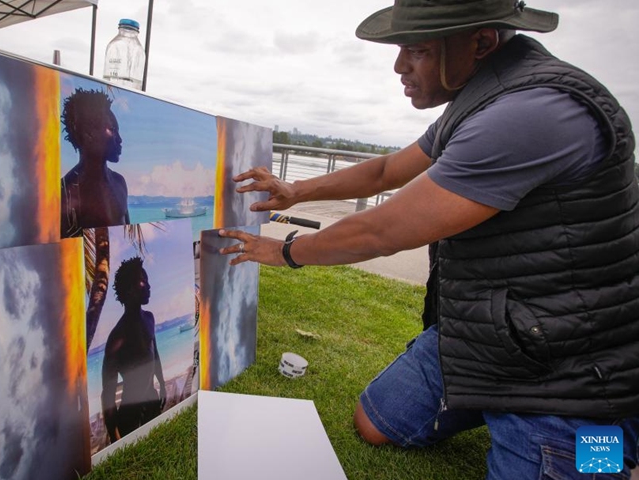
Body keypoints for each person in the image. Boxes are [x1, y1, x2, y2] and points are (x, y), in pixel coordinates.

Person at [219, 0, 639, 477]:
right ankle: (487, 400)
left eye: (416, 50)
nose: (399, 65)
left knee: (585, 456)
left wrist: (285, 251)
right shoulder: (480, 99)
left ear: (480, 42)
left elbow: (384, 229)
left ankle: (612, 447)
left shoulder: (532, 113)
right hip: (492, 335)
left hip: (573, 367)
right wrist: (296, 190)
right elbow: (384, 171)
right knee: (375, 422)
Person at [101, 256, 166, 442]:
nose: (148, 286)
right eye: (142, 281)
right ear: (129, 289)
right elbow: (108, 392)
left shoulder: (149, 318)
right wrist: (115, 438)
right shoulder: (117, 337)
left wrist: (161, 383)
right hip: (130, 414)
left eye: (147, 280)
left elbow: (155, 353)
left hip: (152, 400)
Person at [60, 87, 129, 238]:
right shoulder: (66, 193)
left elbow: (128, 239)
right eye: (112, 129)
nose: (119, 139)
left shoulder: (119, 182)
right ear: (89, 133)